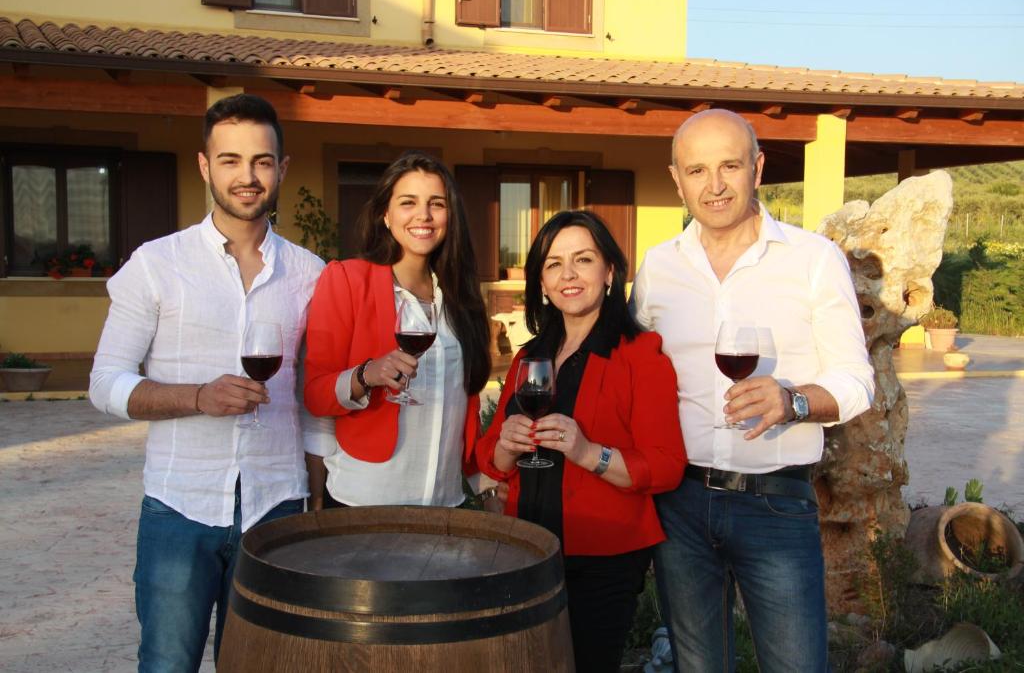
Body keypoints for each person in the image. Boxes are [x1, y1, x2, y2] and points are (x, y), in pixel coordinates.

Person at [89, 94, 331, 672]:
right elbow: (104, 383)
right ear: (205, 166)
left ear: (282, 168)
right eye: (230, 160)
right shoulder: (156, 264)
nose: (246, 177)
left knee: (258, 664)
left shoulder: (311, 273)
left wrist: (317, 499)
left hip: (278, 505)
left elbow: (312, 399)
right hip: (180, 508)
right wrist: (196, 397)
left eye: (261, 161)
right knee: (168, 665)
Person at [631, 108, 875, 672]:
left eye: (729, 166)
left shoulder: (813, 260)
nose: (713, 186)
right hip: (679, 505)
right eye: (696, 171)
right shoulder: (658, 268)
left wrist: (792, 400)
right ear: (677, 179)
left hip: (775, 502)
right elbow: (634, 373)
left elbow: (856, 381)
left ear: (757, 168)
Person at [476, 210, 686, 673]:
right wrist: (506, 448)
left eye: (583, 260)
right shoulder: (530, 357)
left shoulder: (640, 355)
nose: (568, 275)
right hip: (526, 548)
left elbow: (667, 465)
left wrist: (589, 453)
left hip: (603, 560)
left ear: (609, 272)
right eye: (553, 264)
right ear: (542, 282)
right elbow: (489, 459)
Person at [303, 151, 492, 509]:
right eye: (409, 202)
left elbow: (462, 400)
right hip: (367, 499)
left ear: (450, 217)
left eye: (436, 203)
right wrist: (366, 374)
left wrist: (482, 481)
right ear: (385, 215)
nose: (424, 215)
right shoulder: (346, 279)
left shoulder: (460, 296)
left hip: (445, 500)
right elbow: (315, 394)